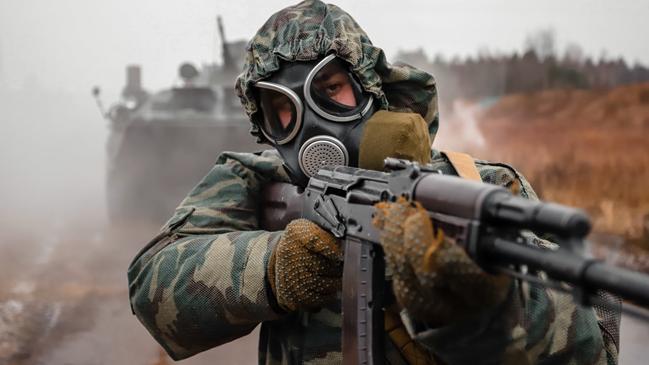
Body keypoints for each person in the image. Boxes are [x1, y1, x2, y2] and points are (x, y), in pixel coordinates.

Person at [127, 1, 619, 364]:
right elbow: (153, 286)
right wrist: (274, 266)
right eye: (283, 109)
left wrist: (485, 307)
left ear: (369, 87)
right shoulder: (259, 180)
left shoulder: (478, 186)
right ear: (267, 128)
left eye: (331, 90)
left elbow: (595, 346)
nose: (313, 121)